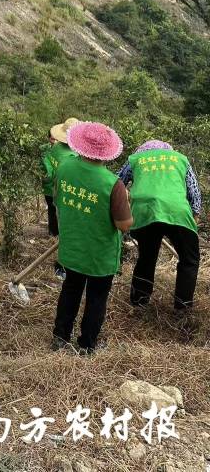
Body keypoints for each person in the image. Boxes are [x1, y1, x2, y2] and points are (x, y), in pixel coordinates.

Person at [52, 121, 133, 355]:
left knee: (70, 290)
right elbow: (123, 224)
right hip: (100, 254)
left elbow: (57, 200)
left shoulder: (65, 168)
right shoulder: (112, 184)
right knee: (96, 298)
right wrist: (130, 208)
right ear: (107, 153)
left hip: (73, 247)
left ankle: (60, 337)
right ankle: (87, 345)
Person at [119, 140, 201, 313]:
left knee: (147, 257)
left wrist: (122, 209)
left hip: (144, 211)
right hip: (177, 210)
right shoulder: (180, 158)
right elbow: (194, 192)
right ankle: (182, 309)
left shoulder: (136, 159)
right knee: (189, 260)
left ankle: (139, 303)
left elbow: (116, 184)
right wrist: (194, 217)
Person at [40, 118, 79, 278]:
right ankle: (63, 266)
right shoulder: (72, 156)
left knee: (63, 228)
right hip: (69, 196)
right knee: (70, 231)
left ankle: (62, 264)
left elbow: (48, 171)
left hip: (58, 194)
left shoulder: (54, 149)